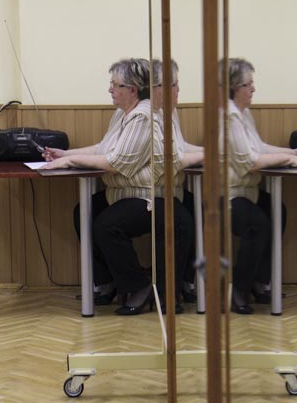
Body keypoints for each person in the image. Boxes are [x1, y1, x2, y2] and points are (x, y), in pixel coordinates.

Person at [42, 58, 191, 315]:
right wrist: (65, 154)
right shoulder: (124, 113)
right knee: (84, 212)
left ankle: (139, 287)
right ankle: (107, 282)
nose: (110, 89)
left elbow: (116, 162)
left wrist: (70, 162)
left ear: (132, 89)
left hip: (148, 196)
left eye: (115, 85)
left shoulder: (143, 117)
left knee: (106, 225)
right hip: (123, 193)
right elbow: (104, 148)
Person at [220, 57, 297, 314]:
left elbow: (259, 147)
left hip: (247, 192)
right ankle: (238, 289)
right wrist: (290, 160)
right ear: (233, 87)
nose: (253, 89)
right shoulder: (227, 117)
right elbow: (250, 162)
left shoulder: (242, 113)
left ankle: (259, 281)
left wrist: (293, 151)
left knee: (276, 211)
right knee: (258, 224)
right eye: (248, 84)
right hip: (226, 196)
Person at [151, 59, 203, 306]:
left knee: (203, 210)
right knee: (183, 222)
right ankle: (167, 293)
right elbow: (172, 160)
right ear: (155, 88)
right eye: (172, 85)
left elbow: (180, 148)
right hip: (152, 192)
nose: (178, 90)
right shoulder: (148, 116)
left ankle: (187, 282)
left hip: (172, 188)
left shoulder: (170, 112)